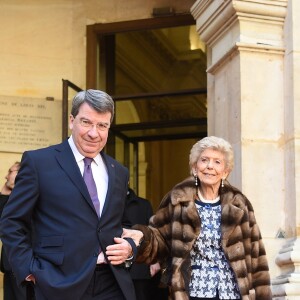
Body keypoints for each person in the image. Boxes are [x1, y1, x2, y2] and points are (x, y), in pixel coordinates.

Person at [0, 89, 138, 300]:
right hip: (57, 282)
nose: (94, 133)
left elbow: (120, 224)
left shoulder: (118, 171)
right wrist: (28, 269)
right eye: (86, 122)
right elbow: (12, 221)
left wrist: (130, 247)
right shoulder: (39, 162)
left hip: (112, 283)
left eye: (102, 125)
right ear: (72, 121)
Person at [122, 136, 272, 300]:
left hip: (232, 292)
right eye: (204, 160)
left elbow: (256, 257)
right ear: (194, 167)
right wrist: (143, 236)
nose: (209, 166)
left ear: (225, 172)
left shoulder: (239, 204)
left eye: (217, 162)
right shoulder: (178, 200)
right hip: (193, 292)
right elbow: (159, 238)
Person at [126, 187, 168, 300]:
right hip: (113, 265)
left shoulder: (143, 204)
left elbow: (153, 233)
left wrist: (155, 260)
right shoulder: (107, 203)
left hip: (138, 267)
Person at [0, 161, 27, 300]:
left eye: (10, 172)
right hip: (10, 266)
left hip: (23, 266)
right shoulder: (12, 198)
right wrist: (4, 192)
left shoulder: (28, 198)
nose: (6, 177)